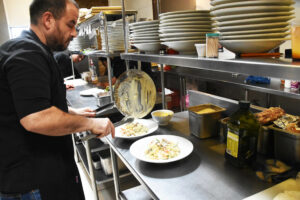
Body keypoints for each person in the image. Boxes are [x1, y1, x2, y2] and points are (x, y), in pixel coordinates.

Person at [0, 0, 115, 199]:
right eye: (70, 24)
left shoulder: (35, 49)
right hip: (32, 184)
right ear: (48, 20)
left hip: (44, 173)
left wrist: (70, 112)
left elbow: (32, 104)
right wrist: (90, 123)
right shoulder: (27, 54)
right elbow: (35, 117)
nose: (75, 33)